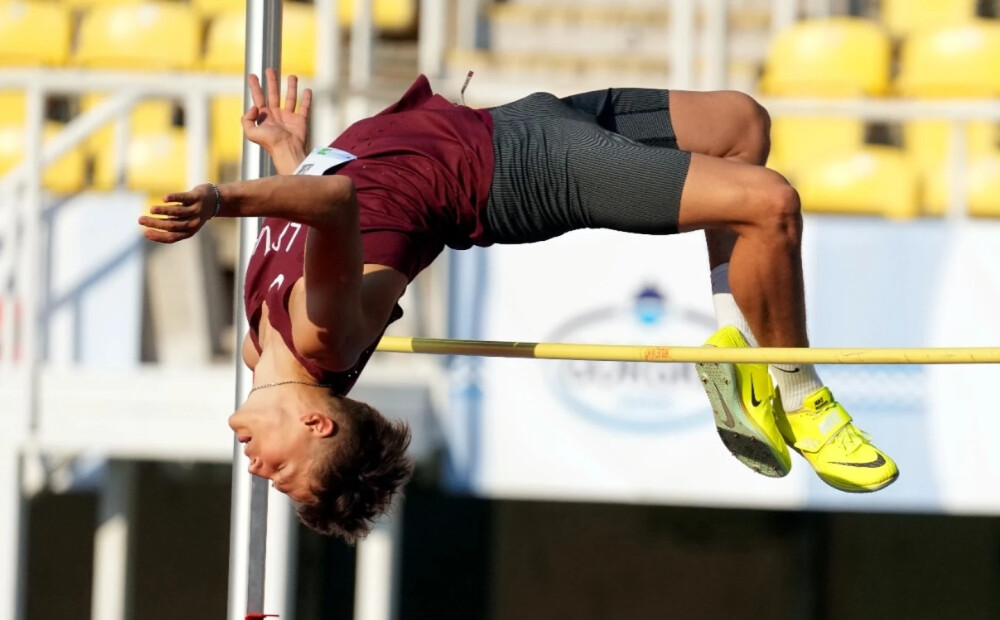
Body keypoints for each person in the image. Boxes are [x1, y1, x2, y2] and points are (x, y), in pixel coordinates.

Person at [139, 68, 897, 541]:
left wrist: (287, 153)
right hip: (514, 172)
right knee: (769, 204)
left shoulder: (256, 338)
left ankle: (737, 353)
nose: (258, 469)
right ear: (317, 421)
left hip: (509, 124)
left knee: (740, 126)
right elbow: (333, 204)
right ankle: (800, 392)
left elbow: (327, 192)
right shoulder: (323, 336)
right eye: (284, 472)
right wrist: (218, 197)